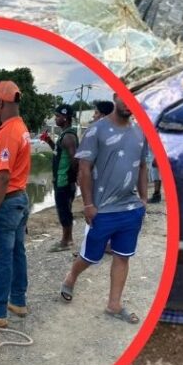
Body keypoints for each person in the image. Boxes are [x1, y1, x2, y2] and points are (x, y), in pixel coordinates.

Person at [60, 94, 148, 323]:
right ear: (116, 96)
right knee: (90, 256)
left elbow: (142, 166)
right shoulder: (96, 130)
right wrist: (88, 204)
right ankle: (71, 277)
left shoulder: (141, 132)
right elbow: (84, 169)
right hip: (103, 209)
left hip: (130, 208)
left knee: (122, 256)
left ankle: (114, 304)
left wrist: (144, 199)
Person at [0, 80, 32, 330]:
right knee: (17, 253)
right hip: (19, 199)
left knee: (3, 260)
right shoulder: (20, 128)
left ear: (1, 102)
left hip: (6, 203)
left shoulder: (9, 133)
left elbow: (2, 176)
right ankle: (18, 301)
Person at [41, 103, 78, 251]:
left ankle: (67, 241)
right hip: (61, 180)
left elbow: (75, 159)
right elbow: (58, 152)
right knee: (63, 209)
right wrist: (48, 141)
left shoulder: (69, 136)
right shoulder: (64, 135)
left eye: (58, 116)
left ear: (65, 118)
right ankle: (67, 238)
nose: (55, 119)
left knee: (64, 211)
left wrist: (74, 177)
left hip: (64, 180)